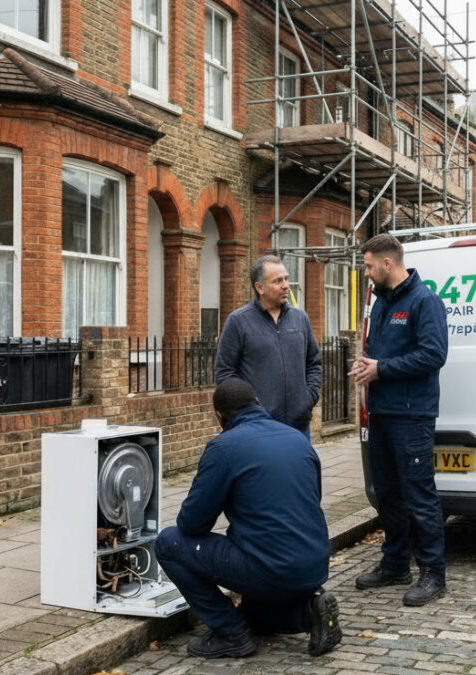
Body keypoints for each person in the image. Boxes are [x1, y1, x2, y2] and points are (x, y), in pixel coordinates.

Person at [154, 378, 341, 659]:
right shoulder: (298, 439)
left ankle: (230, 633)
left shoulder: (224, 447)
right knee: (253, 615)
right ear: (257, 403)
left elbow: (192, 523)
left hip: (270, 568)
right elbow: (310, 502)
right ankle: (308, 613)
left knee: (169, 542)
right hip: (314, 564)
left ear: (220, 416)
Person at [350, 233, 449, 607]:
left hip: (412, 416)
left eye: (369, 266)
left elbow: (434, 355)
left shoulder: (424, 301)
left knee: (419, 496)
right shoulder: (380, 304)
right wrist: (366, 367)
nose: (366, 272)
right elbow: (378, 354)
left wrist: (381, 369)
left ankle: (433, 573)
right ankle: (395, 564)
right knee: (388, 495)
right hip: (381, 414)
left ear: (387, 263)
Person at [215, 255, 321, 439]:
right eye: (278, 281)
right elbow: (225, 374)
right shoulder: (238, 321)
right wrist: (249, 410)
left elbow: (313, 363)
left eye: (286, 279)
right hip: (256, 427)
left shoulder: (300, 318)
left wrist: (309, 398)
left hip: (299, 426)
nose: (286, 285)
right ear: (260, 287)